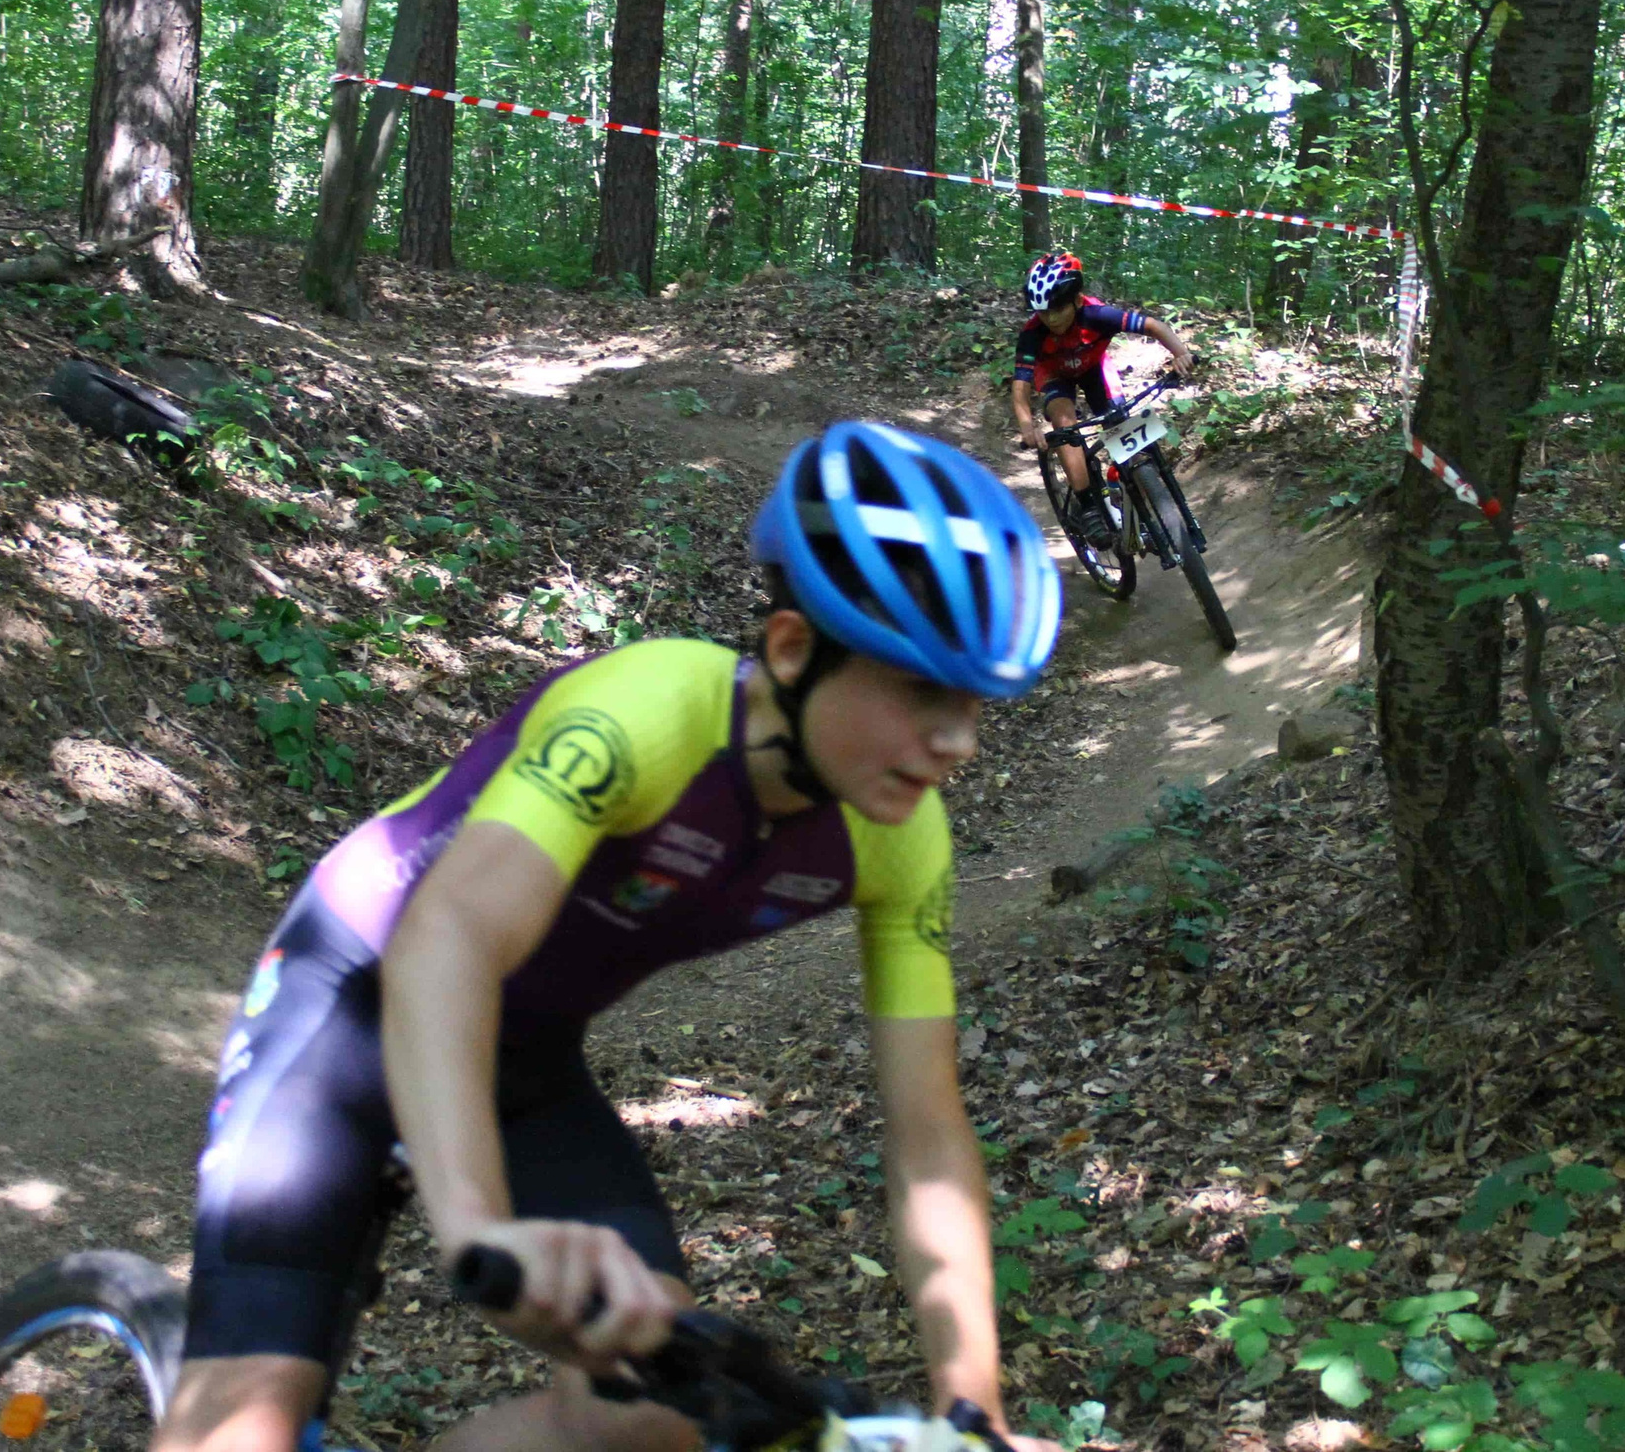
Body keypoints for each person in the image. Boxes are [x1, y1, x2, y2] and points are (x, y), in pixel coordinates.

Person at [156, 423, 1065, 1452]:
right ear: (791, 650)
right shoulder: (645, 715)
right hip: (351, 1003)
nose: (957, 743)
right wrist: (481, 1225)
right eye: (920, 692)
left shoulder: (899, 839)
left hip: (521, 1056)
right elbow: (447, 934)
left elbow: (928, 1137)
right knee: (239, 1426)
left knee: (650, 1416)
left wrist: (972, 1411)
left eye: (975, 705)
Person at [1008, 253, 1196, 548]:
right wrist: (1026, 426)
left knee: (1120, 422)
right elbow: (1020, 387)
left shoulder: (1097, 315)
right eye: (1042, 312)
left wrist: (1180, 353)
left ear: (1078, 300)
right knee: (1063, 421)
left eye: (1058, 308)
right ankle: (1086, 505)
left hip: (1095, 368)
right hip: (1054, 375)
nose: (1051, 318)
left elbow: (1153, 326)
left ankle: (1141, 490)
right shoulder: (1033, 333)